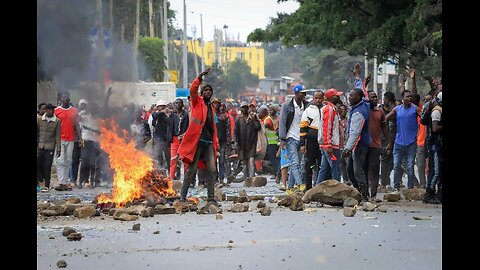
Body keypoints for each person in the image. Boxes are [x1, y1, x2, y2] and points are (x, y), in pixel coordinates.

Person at [177, 68, 220, 205]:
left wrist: (216, 145)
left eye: (210, 91)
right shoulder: (197, 102)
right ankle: (182, 197)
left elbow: (213, 128)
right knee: (191, 170)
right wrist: (200, 77)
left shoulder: (211, 107)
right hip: (197, 142)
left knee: (212, 170)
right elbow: (193, 90)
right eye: (206, 90)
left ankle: (211, 199)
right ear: (202, 93)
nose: (208, 92)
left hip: (208, 143)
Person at [385, 89, 421, 191]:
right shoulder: (397, 109)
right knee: (396, 165)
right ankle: (396, 187)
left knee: (410, 166)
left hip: (411, 142)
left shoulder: (415, 108)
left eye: (410, 96)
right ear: (403, 98)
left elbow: (423, 118)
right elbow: (385, 118)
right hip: (398, 142)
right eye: (407, 96)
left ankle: (410, 188)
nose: (409, 98)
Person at [343, 88, 371, 201]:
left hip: (359, 145)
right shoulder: (364, 105)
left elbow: (355, 133)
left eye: (352, 96)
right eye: (349, 95)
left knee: (357, 170)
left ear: (359, 97)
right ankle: (359, 192)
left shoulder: (358, 112)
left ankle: (364, 194)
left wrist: (347, 149)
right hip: (362, 143)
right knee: (351, 170)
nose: (350, 98)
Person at [279, 84, 308, 194]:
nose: (304, 95)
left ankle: (290, 188)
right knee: (295, 164)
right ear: (296, 94)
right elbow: (282, 122)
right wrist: (282, 138)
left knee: (296, 164)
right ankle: (300, 184)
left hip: (301, 139)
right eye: (302, 93)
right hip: (290, 138)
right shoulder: (287, 106)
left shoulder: (306, 106)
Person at [54, 91, 83, 191]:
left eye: (67, 97)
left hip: (71, 139)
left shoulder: (74, 111)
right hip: (60, 139)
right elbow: (54, 126)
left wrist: (80, 137)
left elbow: (76, 125)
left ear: (69, 99)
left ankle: (66, 183)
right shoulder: (56, 111)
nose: (66, 99)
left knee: (67, 161)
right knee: (60, 161)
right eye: (64, 97)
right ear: (61, 99)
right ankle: (61, 182)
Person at [300, 90, 324, 191]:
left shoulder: (325, 109)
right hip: (311, 142)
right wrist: (302, 144)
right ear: (313, 98)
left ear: (323, 98)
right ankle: (308, 187)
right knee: (309, 164)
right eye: (316, 98)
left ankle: (320, 187)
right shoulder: (308, 111)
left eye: (320, 98)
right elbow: (302, 129)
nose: (318, 100)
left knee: (322, 165)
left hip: (323, 142)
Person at [37, 103, 61, 192]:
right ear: (46, 110)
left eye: (52, 110)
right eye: (49, 109)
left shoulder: (57, 121)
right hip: (40, 146)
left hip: (50, 146)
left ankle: (47, 185)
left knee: (47, 166)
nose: (50, 111)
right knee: (38, 165)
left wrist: (58, 149)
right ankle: (39, 183)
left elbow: (58, 135)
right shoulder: (39, 120)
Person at [234, 101, 261, 180]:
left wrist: (254, 120)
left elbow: (258, 127)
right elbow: (235, 132)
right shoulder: (238, 120)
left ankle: (252, 177)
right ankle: (246, 177)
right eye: (243, 108)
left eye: (246, 107)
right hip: (242, 144)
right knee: (244, 162)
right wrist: (235, 141)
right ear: (241, 109)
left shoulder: (253, 118)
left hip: (252, 143)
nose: (245, 109)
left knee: (251, 160)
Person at [169, 98, 189, 180]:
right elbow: (169, 128)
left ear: (182, 105)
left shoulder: (186, 115)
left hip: (184, 139)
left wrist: (185, 135)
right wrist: (169, 140)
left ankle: (187, 179)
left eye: (179, 103)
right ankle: (171, 177)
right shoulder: (172, 115)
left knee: (185, 160)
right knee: (173, 159)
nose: (178, 104)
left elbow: (188, 127)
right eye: (176, 103)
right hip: (174, 139)